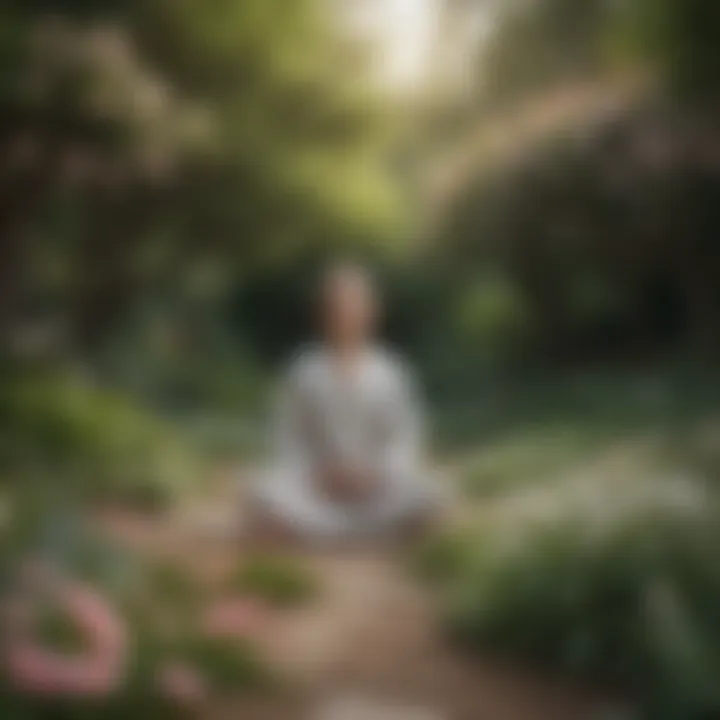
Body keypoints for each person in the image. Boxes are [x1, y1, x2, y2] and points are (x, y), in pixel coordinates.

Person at [248, 262, 443, 545]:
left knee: (430, 492)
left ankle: (328, 535)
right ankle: (367, 534)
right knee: (263, 491)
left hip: (376, 488)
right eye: (336, 307)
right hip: (317, 490)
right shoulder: (304, 370)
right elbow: (287, 436)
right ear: (322, 314)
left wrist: (375, 474)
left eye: (353, 307)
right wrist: (320, 475)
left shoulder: (391, 371)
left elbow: (405, 436)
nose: (345, 315)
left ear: (370, 313)